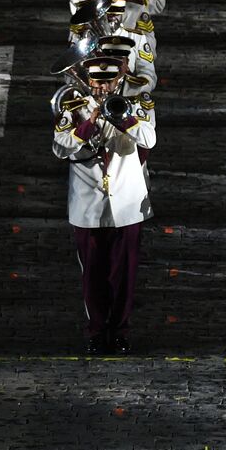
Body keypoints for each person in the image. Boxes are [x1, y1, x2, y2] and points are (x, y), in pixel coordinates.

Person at [52, 55, 156, 354]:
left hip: (126, 204)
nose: (102, 88)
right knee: (93, 275)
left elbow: (150, 138)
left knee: (124, 275)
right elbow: (60, 148)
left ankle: (121, 330)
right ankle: (96, 331)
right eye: (97, 82)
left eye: (108, 82)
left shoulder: (133, 106)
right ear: (89, 81)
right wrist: (90, 122)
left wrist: (123, 119)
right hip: (88, 207)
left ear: (117, 82)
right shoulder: (72, 109)